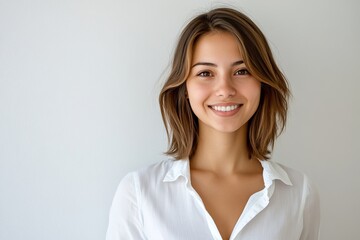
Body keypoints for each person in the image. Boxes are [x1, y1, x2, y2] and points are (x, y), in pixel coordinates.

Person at [106, 7, 320, 240]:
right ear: (185, 88)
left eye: (242, 71)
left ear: (262, 83)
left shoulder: (299, 193)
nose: (225, 90)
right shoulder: (139, 193)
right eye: (206, 73)